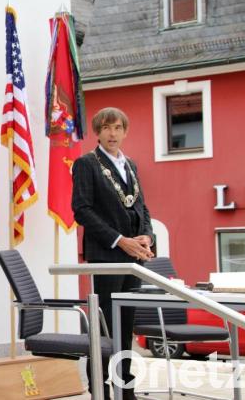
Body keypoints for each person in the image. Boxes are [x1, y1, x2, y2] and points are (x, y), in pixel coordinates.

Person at [72, 107, 155, 400]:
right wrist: (120, 241)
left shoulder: (130, 164)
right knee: (104, 325)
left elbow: (142, 207)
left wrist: (147, 236)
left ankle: (124, 386)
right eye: (106, 128)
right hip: (106, 257)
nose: (112, 133)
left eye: (118, 128)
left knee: (126, 324)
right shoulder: (86, 164)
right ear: (98, 132)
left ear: (125, 132)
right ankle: (100, 387)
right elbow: (82, 210)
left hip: (134, 259)